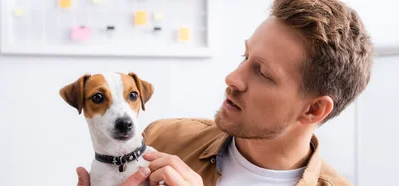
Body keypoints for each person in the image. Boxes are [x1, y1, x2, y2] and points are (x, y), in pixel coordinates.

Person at [76, 0, 373, 185]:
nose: (232, 78)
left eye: (264, 73)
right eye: (245, 57)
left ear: (314, 110)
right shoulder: (161, 139)